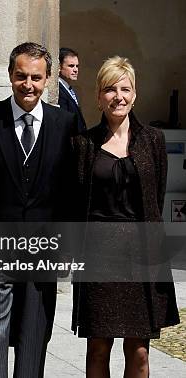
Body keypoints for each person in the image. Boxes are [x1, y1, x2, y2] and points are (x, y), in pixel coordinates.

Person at [0, 42, 77, 378]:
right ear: (10, 75)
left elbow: (70, 191)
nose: (28, 84)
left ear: (48, 79)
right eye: (21, 76)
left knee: (33, 340)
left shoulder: (65, 123)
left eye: (36, 78)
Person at [71, 56, 180, 378]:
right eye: (109, 89)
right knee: (98, 346)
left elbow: (155, 197)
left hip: (142, 254)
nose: (118, 96)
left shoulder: (153, 141)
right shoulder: (83, 144)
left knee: (140, 349)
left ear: (134, 94)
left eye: (125, 89)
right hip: (98, 253)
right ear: (98, 96)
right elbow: (77, 202)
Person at [58, 47, 86, 133]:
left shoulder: (69, 89)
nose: (75, 70)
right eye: (71, 66)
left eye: (77, 66)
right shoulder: (58, 90)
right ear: (59, 67)